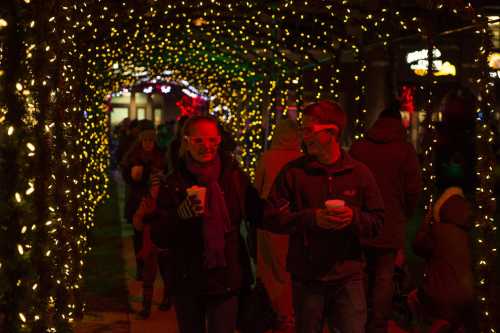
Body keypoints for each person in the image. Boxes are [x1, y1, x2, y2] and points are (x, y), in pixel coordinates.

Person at [264, 100, 384, 333]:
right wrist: (311, 219)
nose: (303, 137)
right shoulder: (294, 172)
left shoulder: (359, 173)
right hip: (307, 276)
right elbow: (270, 216)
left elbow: (377, 221)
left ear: (332, 132)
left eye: (309, 130)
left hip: (348, 276)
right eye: (302, 130)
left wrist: (353, 218)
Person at [150, 115, 263, 333]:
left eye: (212, 140)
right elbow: (159, 234)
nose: (206, 146)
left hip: (226, 277)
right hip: (187, 279)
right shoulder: (174, 182)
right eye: (199, 140)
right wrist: (180, 215)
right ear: (187, 141)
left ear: (219, 140)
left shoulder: (234, 177)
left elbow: (257, 213)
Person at [349, 101, 421, 333]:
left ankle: (358, 318)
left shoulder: (359, 148)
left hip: (361, 219)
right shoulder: (404, 151)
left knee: (360, 272)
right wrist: (404, 213)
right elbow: (413, 191)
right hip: (390, 222)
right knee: (384, 275)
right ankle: (378, 323)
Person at [410, 164, 476, 332]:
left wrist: (426, 223)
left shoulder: (437, 231)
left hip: (439, 298)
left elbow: (417, 246)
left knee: (412, 298)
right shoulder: (467, 236)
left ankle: (428, 326)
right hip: (467, 298)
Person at [254, 118, 303, 333]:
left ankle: (276, 311)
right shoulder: (303, 159)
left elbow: (257, 189)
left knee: (270, 267)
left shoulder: (267, 158)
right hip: (294, 219)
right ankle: (290, 313)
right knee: (290, 267)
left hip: (269, 219)